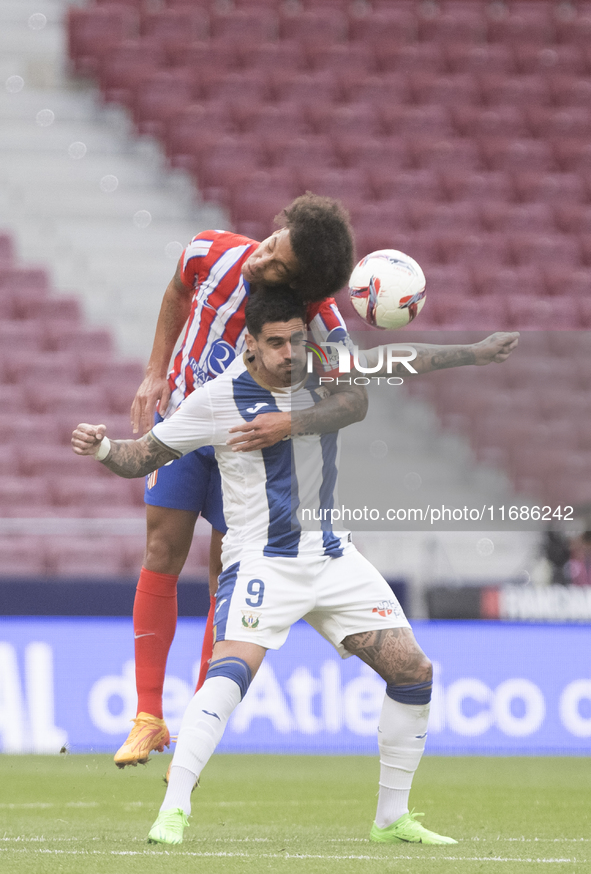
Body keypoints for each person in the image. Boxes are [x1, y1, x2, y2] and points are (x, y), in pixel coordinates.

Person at [72, 287, 519, 847]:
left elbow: (402, 360)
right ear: (251, 345)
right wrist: (102, 447)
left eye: (297, 340)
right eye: (277, 342)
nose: (290, 353)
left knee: (414, 672)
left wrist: (474, 353)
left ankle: (391, 819)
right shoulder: (216, 400)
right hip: (264, 561)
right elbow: (145, 456)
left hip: (335, 559)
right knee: (229, 675)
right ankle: (173, 809)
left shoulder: (321, 377)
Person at [116, 193, 363, 768]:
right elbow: (178, 289)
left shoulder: (322, 322)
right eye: (274, 243)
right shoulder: (214, 250)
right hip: (181, 423)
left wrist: (292, 421)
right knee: (160, 551)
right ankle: (147, 717)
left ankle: (197, 722)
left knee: (224, 577)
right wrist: (155, 372)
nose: (265, 260)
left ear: (304, 289)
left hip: (248, 455)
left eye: (281, 266)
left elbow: (353, 400)